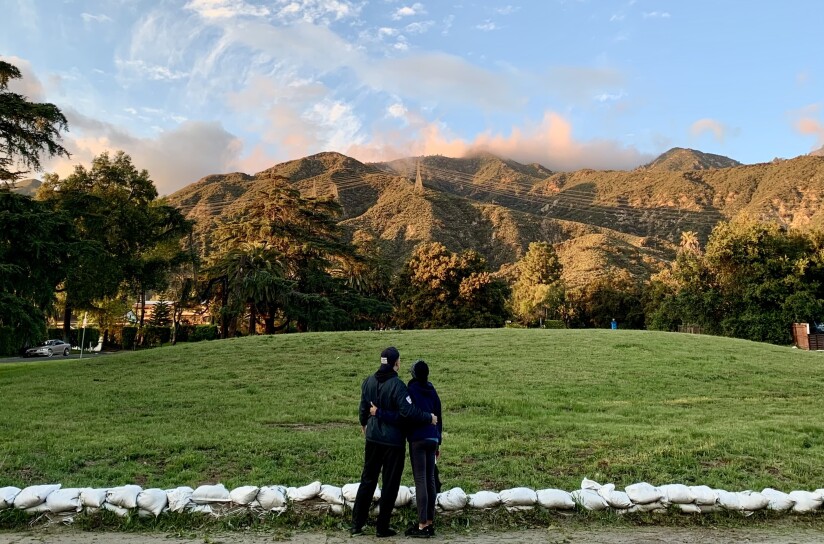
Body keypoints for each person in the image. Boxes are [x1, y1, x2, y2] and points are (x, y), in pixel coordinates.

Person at [350, 347, 437, 538]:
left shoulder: (368, 381)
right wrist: (428, 418)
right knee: (390, 484)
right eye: (399, 361)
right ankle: (382, 527)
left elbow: (363, 407)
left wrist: (365, 423)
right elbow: (407, 413)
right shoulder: (398, 386)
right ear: (396, 363)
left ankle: (357, 523)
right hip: (393, 442)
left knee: (368, 479)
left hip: (372, 438)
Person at [371, 359, 442, 538]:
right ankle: (430, 523)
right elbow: (439, 416)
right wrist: (438, 441)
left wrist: (380, 413)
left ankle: (422, 525)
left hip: (418, 439)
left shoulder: (411, 391)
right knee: (430, 480)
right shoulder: (432, 390)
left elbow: (408, 414)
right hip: (433, 438)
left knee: (421, 480)